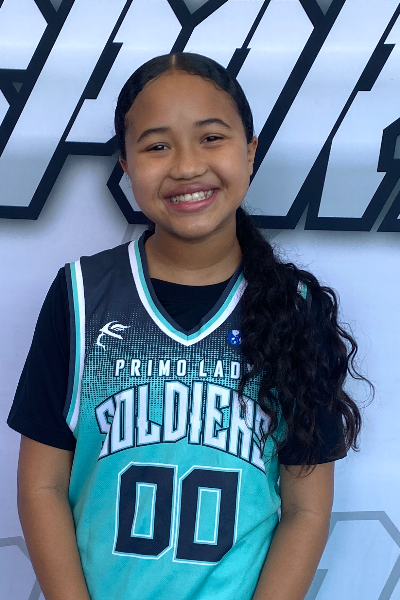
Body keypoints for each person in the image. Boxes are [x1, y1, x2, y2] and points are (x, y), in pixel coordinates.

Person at [8, 52, 367, 600]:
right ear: (126, 165)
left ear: (250, 151)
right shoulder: (81, 295)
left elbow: (307, 508)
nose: (186, 166)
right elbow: (42, 485)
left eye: (211, 138)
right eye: (157, 146)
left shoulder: (294, 309)